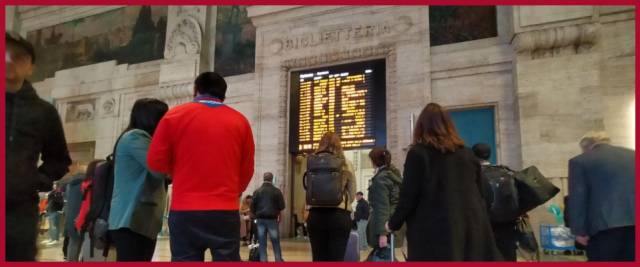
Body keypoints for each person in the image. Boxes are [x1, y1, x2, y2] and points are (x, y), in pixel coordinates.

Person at [147, 72, 255, 262]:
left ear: (196, 90)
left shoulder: (174, 116)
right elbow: (246, 170)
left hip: (184, 210)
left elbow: (155, 162)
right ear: (223, 94)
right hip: (225, 210)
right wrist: (232, 193)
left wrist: (176, 171)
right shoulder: (240, 121)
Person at [386, 103, 502, 261]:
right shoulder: (468, 154)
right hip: (470, 230)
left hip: (432, 234)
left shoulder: (418, 154)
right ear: (449, 126)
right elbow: (483, 193)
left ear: (421, 127)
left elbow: (408, 197)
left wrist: (393, 224)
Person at [6, 31, 72, 261]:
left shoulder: (44, 112)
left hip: (19, 215)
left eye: (18, 57)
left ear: (30, 67)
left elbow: (60, 160)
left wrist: (32, 180)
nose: (8, 60)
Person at [108, 98, 169, 261]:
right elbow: (161, 170)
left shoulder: (140, 138)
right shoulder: (136, 137)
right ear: (153, 119)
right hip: (131, 220)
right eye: (164, 118)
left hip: (140, 221)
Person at [567, 131, 635, 261]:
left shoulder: (580, 161)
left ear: (585, 147)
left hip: (603, 227)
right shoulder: (633, 155)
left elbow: (578, 199)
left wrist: (579, 231)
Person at [307, 132, 357, 261]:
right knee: (336, 259)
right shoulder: (346, 163)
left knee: (318, 258)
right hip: (339, 216)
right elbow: (352, 194)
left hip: (316, 215)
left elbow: (308, 191)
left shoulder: (312, 162)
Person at [472, 143, 518, 261]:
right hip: (507, 224)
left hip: (483, 225)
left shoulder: (472, 174)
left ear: (473, 155)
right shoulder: (506, 172)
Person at [366, 147, 404, 260]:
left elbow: (382, 206)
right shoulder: (393, 174)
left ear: (374, 161)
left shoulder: (381, 179)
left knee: (383, 257)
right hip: (393, 223)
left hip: (385, 228)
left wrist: (382, 233)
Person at [251, 172, 286, 262]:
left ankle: (263, 260)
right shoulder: (277, 191)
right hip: (272, 219)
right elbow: (281, 206)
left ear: (263, 178)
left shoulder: (257, 191)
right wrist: (279, 217)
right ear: (272, 179)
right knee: (275, 241)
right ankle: (278, 260)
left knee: (262, 242)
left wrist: (254, 216)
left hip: (260, 219)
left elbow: (252, 206)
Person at [63, 162, 87, 262]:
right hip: (79, 217)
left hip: (70, 217)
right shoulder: (84, 184)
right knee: (79, 244)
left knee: (73, 243)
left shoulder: (70, 184)